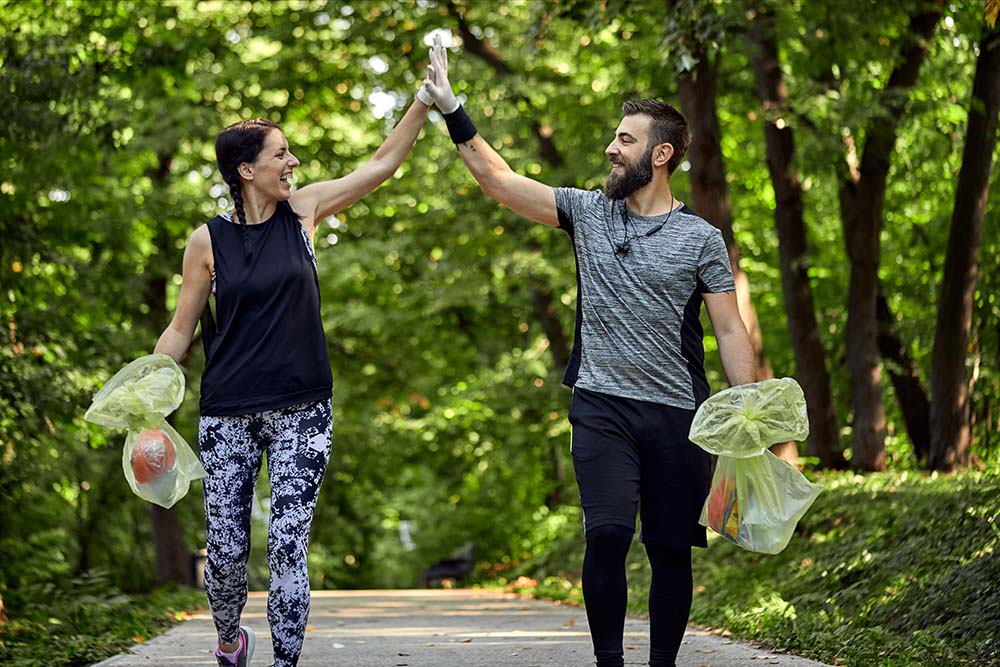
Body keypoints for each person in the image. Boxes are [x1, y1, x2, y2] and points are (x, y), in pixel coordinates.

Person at [421, 37, 756, 667]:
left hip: (678, 414)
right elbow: (498, 180)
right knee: (605, 534)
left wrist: (747, 414)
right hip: (602, 405)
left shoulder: (701, 239)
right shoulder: (588, 212)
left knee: (668, 549)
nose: (611, 147)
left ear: (659, 155)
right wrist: (451, 108)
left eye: (625, 140)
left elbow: (731, 332)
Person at [153, 83, 434, 666]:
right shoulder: (207, 241)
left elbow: (382, 164)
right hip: (227, 411)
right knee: (226, 554)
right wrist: (149, 398)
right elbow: (182, 328)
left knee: (287, 545)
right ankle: (231, 640)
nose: (293, 163)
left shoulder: (303, 212)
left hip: (303, 408)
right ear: (245, 168)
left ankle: (286, 662)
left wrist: (425, 102)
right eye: (280, 154)